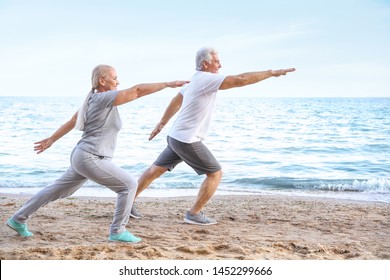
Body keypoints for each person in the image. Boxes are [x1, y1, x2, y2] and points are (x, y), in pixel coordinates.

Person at [6, 64, 187, 242]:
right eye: (114, 78)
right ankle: (117, 231)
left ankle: (18, 219)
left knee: (56, 190)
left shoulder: (94, 99)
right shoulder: (103, 98)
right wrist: (167, 84)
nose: (118, 82)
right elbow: (137, 91)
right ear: (102, 81)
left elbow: (73, 120)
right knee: (129, 185)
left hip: (82, 156)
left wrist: (52, 139)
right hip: (90, 157)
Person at [131, 47, 295, 225]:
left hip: (176, 136)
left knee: (155, 170)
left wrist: (162, 123)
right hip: (186, 139)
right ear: (206, 63)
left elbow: (175, 101)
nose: (220, 65)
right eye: (217, 62)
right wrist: (270, 73)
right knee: (215, 174)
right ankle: (193, 214)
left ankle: (127, 203)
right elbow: (241, 80)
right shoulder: (206, 79)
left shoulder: (192, 80)